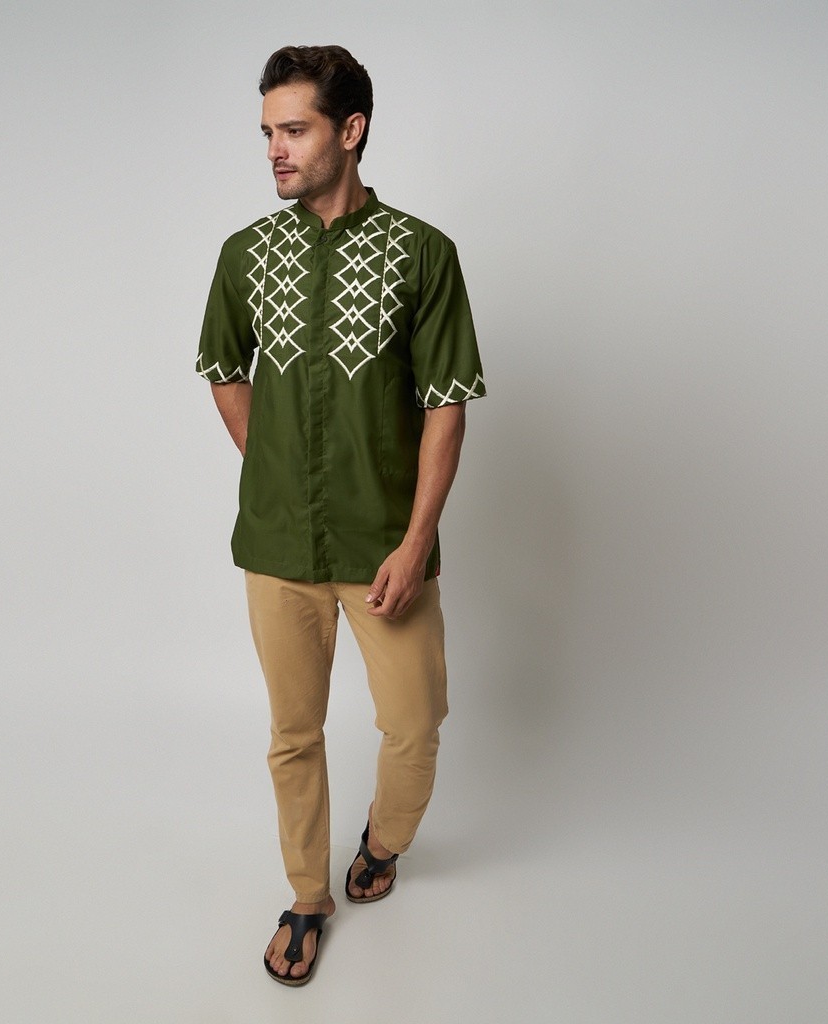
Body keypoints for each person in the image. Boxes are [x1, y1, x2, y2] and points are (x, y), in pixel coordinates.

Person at [196, 44, 485, 985]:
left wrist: (415, 542)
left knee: (415, 721)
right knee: (293, 733)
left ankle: (385, 840)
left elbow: (446, 404)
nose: (274, 151)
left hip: (383, 549)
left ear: (350, 131)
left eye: (294, 130)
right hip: (276, 544)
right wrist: (273, 467)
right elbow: (223, 369)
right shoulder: (246, 255)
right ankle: (306, 895)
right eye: (267, 133)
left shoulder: (422, 254)